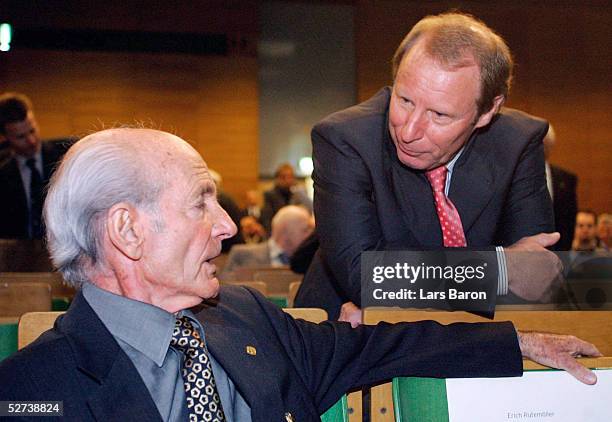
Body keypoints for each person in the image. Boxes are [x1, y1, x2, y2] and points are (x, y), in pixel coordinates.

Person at [0, 128, 599, 420]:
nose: (229, 226)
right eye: (201, 201)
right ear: (127, 231)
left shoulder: (244, 315)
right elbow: (369, 267)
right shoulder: (29, 392)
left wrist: (518, 340)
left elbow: (386, 345)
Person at [296, 12, 563, 322]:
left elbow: (535, 277)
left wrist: (398, 289)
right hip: (345, 335)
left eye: (439, 115)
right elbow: (365, 275)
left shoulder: (518, 142)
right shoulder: (345, 140)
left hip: (475, 336)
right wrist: (500, 269)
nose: (408, 132)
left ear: (487, 111)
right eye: (405, 100)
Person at [0, 92, 71, 239]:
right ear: (5, 138)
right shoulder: (3, 171)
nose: (31, 141)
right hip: (16, 252)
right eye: (21, 137)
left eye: (32, 130)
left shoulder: (66, 154)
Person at [223, 205, 313, 274]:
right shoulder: (242, 255)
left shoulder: (313, 261)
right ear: (285, 231)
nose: (310, 235)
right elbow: (225, 291)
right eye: (305, 230)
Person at [543, 124, 578, 251]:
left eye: (545, 144)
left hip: (559, 250)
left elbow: (569, 220)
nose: (542, 148)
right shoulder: (516, 176)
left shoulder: (567, 179)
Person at [260, 163, 313, 232]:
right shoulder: (270, 195)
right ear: (277, 179)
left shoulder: (296, 194)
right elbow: (267, 220)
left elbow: (310, 209)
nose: (288, 180)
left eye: (290, 177)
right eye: (284, 177)